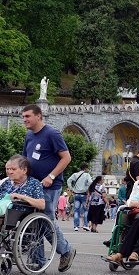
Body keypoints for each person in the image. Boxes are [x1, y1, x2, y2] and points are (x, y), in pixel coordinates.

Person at [21, 104, 76, 271]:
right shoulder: (29, 135)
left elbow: (66, 158)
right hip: (32, 184)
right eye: (23, 117)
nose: (25, 120)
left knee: (45, 221)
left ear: (39, 116)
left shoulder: (52, 134)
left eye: (28, 116)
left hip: (50, 186)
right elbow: (25, 159)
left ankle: (66, 250)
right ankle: (38, 262)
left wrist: (51, 176)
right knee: (33, 223)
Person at [67, 162, 92, 231]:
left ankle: (76, 226)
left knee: (76, 211)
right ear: (85, 168)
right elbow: (90, 182)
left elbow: (69, 180)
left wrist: (72, 189)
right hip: (84, 194)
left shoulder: (75, 174)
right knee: (86, 210)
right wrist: (87, 188)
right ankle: (85, 225)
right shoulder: (87, 175)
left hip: (76, 194)